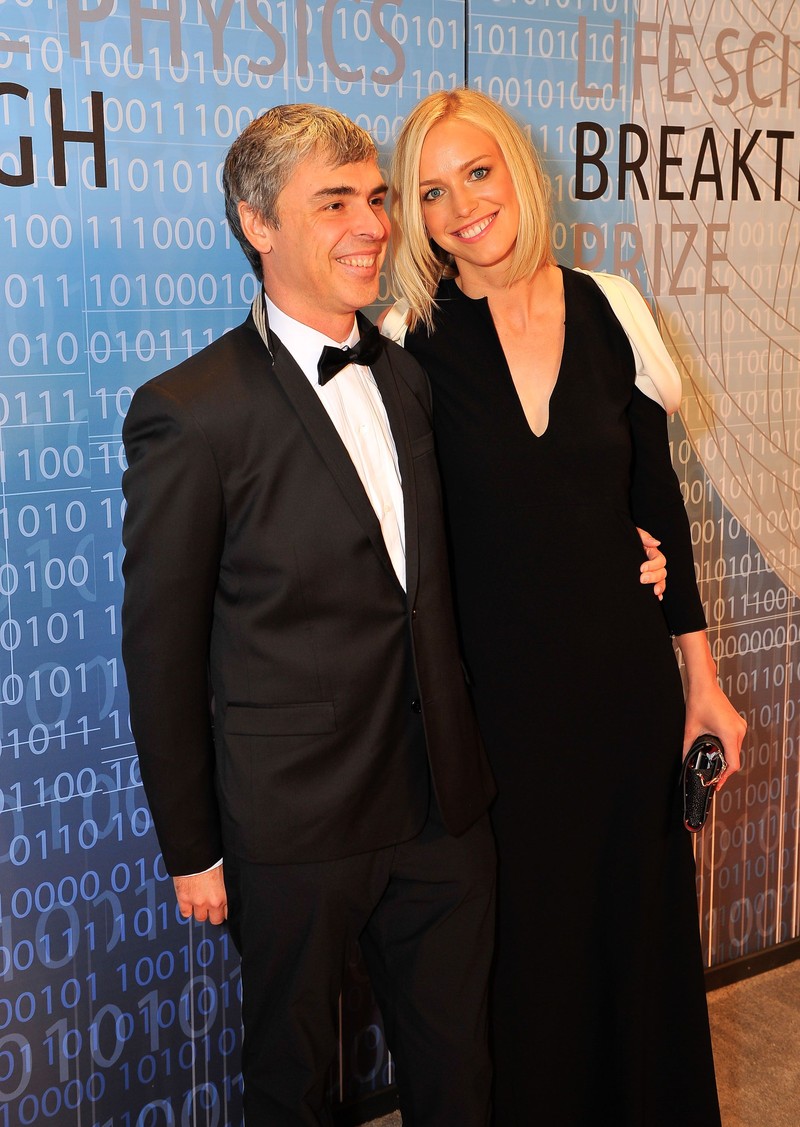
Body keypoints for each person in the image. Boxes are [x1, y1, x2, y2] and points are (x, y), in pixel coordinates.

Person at [120, 104, 502, 1126]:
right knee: (293, 1085)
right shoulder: (190, 409)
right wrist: (191, 845)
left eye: (376, 198)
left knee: (456, 1066)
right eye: (333, 201)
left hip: (438, 801)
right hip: (292, 821)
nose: (372, 224)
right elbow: (160, 649)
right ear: (257, 222)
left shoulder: (407, 377)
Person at [384, 89, 747, 1126]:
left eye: (477, 172)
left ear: (519, 171)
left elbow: (654, 504)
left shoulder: (610, 305)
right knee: (523, 960)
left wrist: (703, 685)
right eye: (432, 191)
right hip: (494, 714)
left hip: (622, 696)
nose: (460, 206)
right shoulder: (406, 335)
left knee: (633, 940)